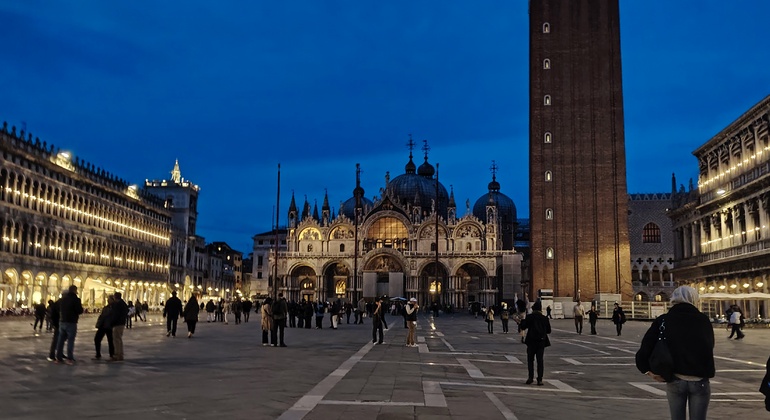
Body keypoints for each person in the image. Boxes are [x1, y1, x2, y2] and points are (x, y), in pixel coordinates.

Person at [635, 286, 714, 420]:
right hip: (699, 380)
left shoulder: (664, 320)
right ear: (694, 299)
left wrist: (647, 371)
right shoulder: (703, 320)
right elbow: (709, 346)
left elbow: (645, 349)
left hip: (675, 379)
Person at [519, 300, 551, 386]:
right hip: (541, 342)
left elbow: (523, 327)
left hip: (531, 341)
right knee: (540, 361)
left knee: (530, 360)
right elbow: (549, 331)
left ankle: (530, 378)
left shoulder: (530, 317)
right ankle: (539, 379)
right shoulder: (544, 318)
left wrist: (522, 320)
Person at [56, 285, 84, 364]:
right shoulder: (76, 299)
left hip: (62, 321)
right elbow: (79, 310)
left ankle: (58, 358)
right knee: (70, 341)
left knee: (60, 340)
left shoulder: (63, 299)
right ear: (75, 290)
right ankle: (69, 358)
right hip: (71, 322)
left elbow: (58, 309)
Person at [93, 296, 115, 360]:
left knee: (110, 341)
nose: (108, 300)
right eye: (108, 299)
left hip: (109, 326)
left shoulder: (114, 308)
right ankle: (98, 354)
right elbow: (102, 316)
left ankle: (112, 354)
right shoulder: (106, 307)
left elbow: (105, 315)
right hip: (103, 325)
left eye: (109, 299)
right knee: (97, 339)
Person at [110, 292, 129, 362]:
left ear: (115, 297)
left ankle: (117, 355)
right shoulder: (123, 303)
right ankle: (120, 355)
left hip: (117, 324)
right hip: (122, 323)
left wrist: (112, 322)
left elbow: (115, 315)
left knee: (116, 340)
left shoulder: (118, 304)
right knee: (119, 339)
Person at [47, 295, 61, 362]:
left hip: (56, 323)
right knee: (58, 339)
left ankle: (55, 354)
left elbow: (52, 315)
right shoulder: (59, 304)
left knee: (57, 339)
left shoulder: (54, 305)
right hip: (59, 323)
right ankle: (55, 354)